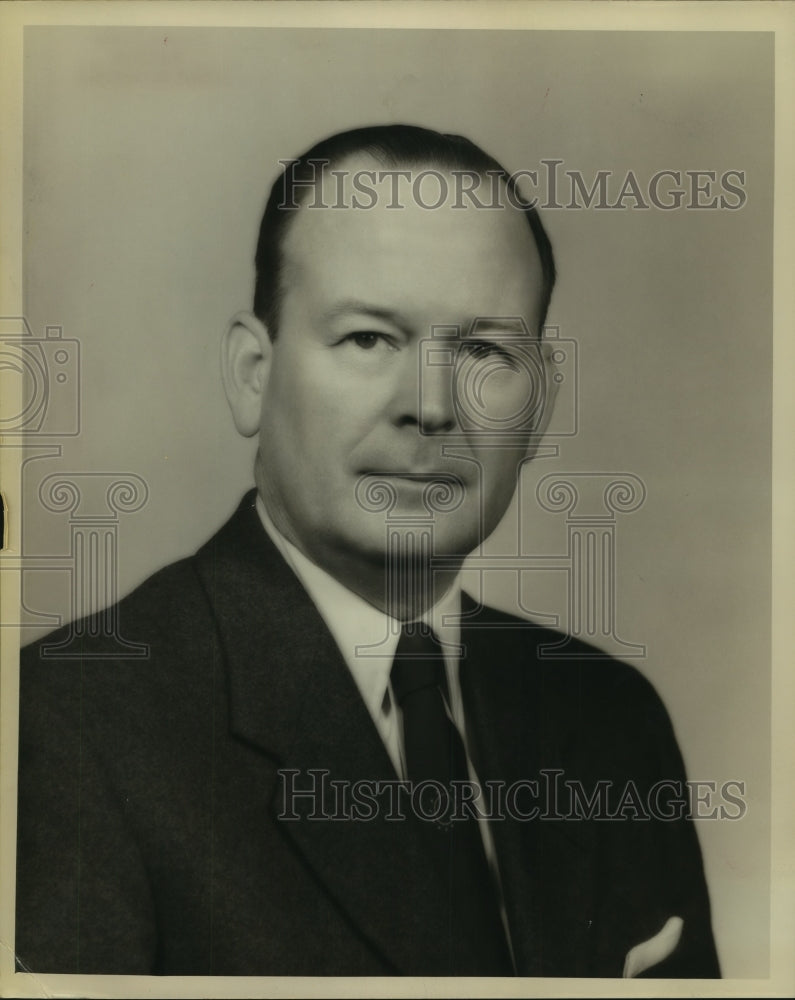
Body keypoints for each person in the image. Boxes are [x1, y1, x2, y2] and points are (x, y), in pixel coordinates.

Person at [15, 124, 720, 978]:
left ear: (538, 407)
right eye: (369, 339)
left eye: (484, 352)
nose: (429, 408)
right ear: (250, 372)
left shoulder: (611, 719)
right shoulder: (64, 724)